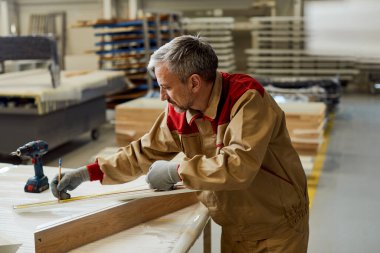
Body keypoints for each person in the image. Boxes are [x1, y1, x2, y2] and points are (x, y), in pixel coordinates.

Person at [51, 35, 309, 253]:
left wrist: (176, 171)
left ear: (194, 82)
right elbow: (142, 152)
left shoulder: (246, 100)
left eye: (167, 87)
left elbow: (238, 167)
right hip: (236, 225)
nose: (162, 96)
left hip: (278, 225)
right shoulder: (179, 110)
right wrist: (88, 172)